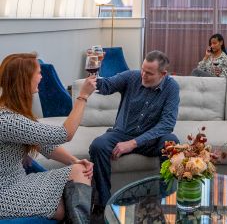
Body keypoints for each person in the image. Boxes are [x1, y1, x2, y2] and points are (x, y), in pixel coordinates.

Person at [0, 53, 96, 222]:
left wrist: (74, 161)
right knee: (63, 206)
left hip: (18, 181)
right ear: (25, 79)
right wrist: (83, 96)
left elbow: (45, 146)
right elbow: (65, 134)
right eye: (38, 72)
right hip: (6, 192)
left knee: (79, 172)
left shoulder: (14, 110)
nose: (41, 76)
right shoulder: (7, 120)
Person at [89, 50, 179, 208]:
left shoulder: (171, 88)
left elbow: (167, 124)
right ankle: (104, 204)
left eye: (149, 73)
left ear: (163, 74)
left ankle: (165, 199)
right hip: (121, 133)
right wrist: (94, 66)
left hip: (151, 139)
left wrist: (133, 143)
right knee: (98, 145)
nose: (143, 75)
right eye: (142, 69)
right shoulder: (132, 76)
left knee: (171, 142)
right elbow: (104, 86)